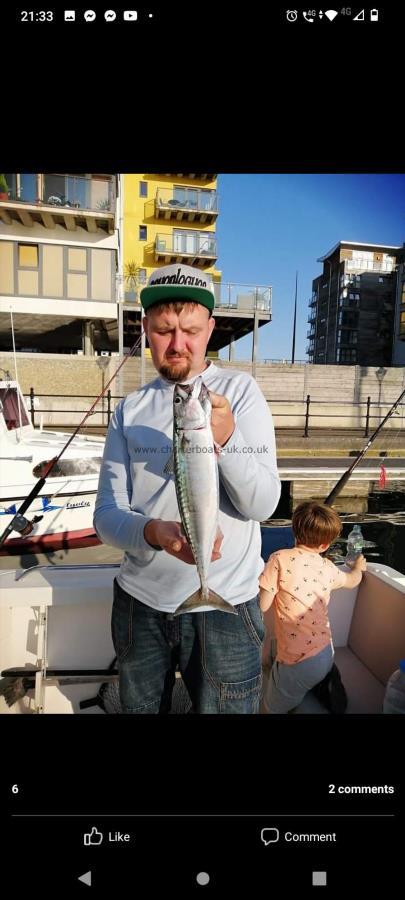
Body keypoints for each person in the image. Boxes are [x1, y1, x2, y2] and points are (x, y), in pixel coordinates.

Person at [94, 263, 281, 714]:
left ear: (211, 328)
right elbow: (105, 517)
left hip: (226, 608)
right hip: (141, 605)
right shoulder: (130, 410)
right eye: (164, 330)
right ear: (146, 329)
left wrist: (228, 439)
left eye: (192, 331)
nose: (178, 344)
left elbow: (262, 505)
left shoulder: (241, 393)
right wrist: (153, 532)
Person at [259, 500, 367, 713]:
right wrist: (359, 568)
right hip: (326, 654)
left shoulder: (279, 559)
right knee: (296, 686)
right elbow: (352, 580)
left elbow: (262, 605)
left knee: (271, 708)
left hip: (296, 663)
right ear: (325, 545)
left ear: (293, 530)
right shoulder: (327, 567)